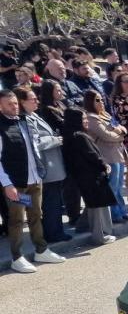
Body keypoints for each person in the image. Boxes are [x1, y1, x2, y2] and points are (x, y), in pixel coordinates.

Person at [1, 89, 66, 273]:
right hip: (16, 184)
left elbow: (34, 147)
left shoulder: (25, 120)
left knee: (36, 215)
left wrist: (39, 172)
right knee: (16, 221)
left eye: (15, 103)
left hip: (35, 179)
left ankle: (41, 249)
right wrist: (7, 184)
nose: (14, 107)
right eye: (9, 104)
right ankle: (17, 257)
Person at [18, 85, 69, 243]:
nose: (36, 101)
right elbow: (35, 143)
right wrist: (55, 140)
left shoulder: (34, 115)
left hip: (53, 165)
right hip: (46, 167)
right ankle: (53, 233)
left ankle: (56, 231)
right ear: (23, 102)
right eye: (32, 99)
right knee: (50, 203)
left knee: (54, 202)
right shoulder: (25, 119)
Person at [59, 107, 116, 244]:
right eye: (83, 119)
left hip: (82, 176)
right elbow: (92, 155)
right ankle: (100, 236)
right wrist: (105, 165)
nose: (86, 121)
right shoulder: (80, 136)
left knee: (93, 205)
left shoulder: (69, 135)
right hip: (92, 176)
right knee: (98, 206)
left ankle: (83, 227)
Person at [83, 90, 128, 222]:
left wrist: (119, 132)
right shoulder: (91, 118)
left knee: (119, 186)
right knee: (112, 187)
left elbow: (122, 127)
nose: (101, 102)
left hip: (118, 154)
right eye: (97, 100)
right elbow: (106, 135)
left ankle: (122, 211)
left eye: (102, 99)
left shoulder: (105, 115)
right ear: (90, 102)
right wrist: (120, 135)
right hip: (108, 156)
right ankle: (115, 215)